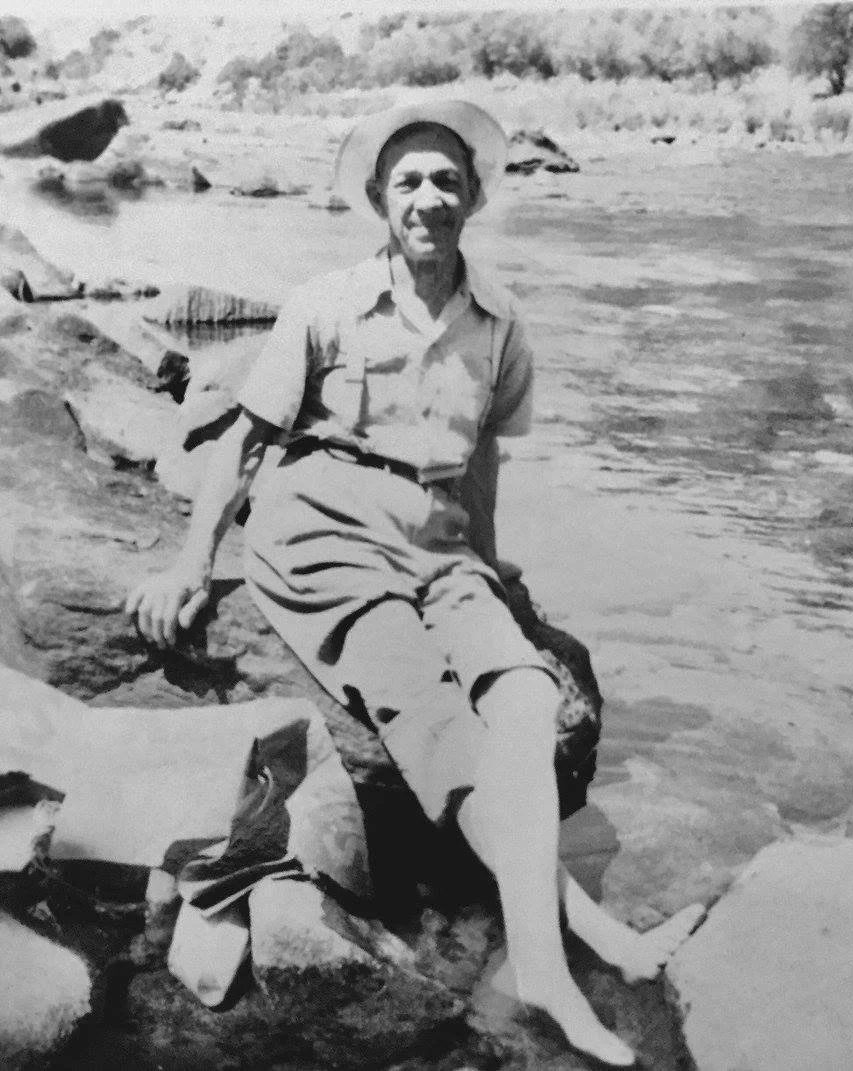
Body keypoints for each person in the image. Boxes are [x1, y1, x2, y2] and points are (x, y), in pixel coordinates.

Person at [127, 100, 686, 1068]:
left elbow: (479, 464)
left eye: (444, 181)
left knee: (519, 694)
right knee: (440, 726)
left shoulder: (502, 321)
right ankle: (560, 964)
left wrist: (493, 569)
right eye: (407, 183)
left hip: (438, 541)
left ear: (472, 197)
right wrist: (192, 563)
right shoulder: (324, 302)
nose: (426, 198)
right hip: (322, 530)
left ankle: (589, 943)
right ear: (380, 205)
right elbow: (248, 441)